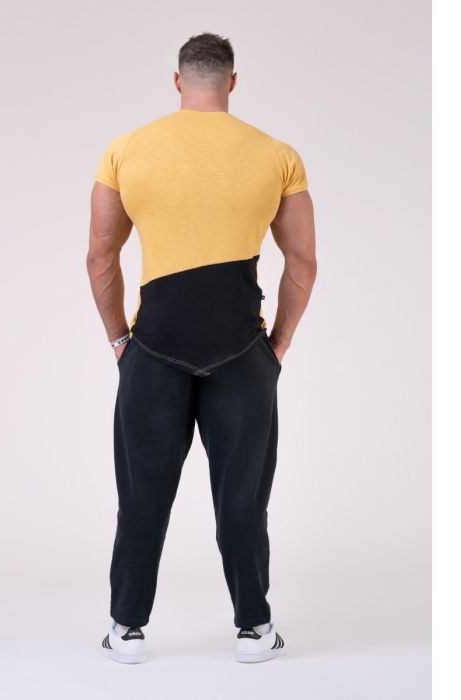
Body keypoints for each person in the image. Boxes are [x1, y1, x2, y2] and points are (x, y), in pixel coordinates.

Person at [87, 32, 317, 664]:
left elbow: (100, 256)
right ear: (232, 82)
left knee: (142, 498)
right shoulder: (276, 155)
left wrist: (120, 340)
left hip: (153, 349)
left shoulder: (126, 150)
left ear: (177, 81)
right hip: (242, 351)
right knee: (243, 499)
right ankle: (255, 631)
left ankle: (127, 630)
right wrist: (276, 345)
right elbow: (302, 261)